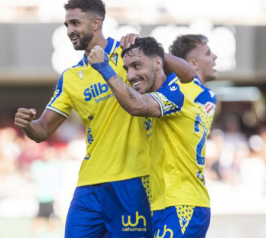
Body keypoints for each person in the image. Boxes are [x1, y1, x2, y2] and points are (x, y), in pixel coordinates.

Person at [14, 0, 195, 237]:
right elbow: (42, 131)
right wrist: (27, 124)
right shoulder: (70, 77)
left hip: (134, 181)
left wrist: (150, 48)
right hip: (88, 185)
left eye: (75, 23)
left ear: (96, 22)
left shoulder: (129, 56)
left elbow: (189, 74)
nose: (69, 30)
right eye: (67, 24)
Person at [88, 37, 210, 238]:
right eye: (126, 69)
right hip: (163, 206)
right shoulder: (161, 94)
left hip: (183, 205)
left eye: (137, 65)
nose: (131, 75)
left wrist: (103, 67)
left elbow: (137, 105)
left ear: (158, 62)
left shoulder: (175, 93)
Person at [169, 34, 218, 134]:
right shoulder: (204, 94)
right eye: (208, 54)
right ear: (193, 63)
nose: (215, 57)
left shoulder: (169, 87)